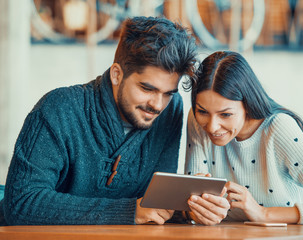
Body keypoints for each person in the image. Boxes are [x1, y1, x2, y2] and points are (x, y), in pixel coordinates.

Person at [0, 16, 197, 226]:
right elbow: (21, 204)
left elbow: (155, 205)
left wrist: (190, 210)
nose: (158, 105)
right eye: (147, 88)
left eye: (168, 93)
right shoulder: (58, 109)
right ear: (116, 75)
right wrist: (129, 212)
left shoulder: (171, 109)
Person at [184, 51, 303, 225]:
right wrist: (196, 210)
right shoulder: (197, 121)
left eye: (226, 114)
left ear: (247, 105)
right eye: (203, 111)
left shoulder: (280, 129)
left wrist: (262, 213)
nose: (212, 127)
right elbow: (190, 204)